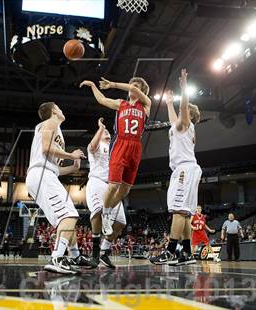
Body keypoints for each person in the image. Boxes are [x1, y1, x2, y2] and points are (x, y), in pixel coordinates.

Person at [25, 102, 97, 274]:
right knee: (69, 215)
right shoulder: (50, 122)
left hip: (44, 175)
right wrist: (70, 154)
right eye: (59, 107)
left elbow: (55, 168)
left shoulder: (55, 129)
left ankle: (74, 256)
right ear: (54, 111)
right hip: (41, 174)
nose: (62, 109)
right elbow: (46, 149)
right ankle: (57, 258)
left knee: (66, 219)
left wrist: (73, 167)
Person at [80, 76, 151, 236]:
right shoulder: (121, 104)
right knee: (113, 186)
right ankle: (105, 214)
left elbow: (133, 90)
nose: (132, 87)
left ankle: (108, 209)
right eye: (131, 84)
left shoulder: (146, 105)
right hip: (120, 144)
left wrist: (113, 83)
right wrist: (92, 85)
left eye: (136, 86)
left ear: (142, 91)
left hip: (135, 147)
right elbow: (102, 99)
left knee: (125, 190)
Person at [150, 69, 201, 266]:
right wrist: (169, 103)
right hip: (188, 170)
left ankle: (170, 251)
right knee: (186, 213)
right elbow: (173, 121)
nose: (181, 111)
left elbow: (184, 109)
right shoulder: (179, 127)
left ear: (187, 114)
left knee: (179, 211)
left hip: (184, 170)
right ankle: (187, 253)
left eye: (183, 110)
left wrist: (184, 87)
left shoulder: (186, 123)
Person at [86, 118, 126, 268]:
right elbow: (91, 146)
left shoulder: (114, 149)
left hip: (112, 187)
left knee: (121, 222)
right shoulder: (98, 145)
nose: (106, 132)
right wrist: (101, 128)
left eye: (108, 131)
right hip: (97, 182)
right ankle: (95, 253)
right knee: (97, 212)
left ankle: (104, 252)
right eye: (104, 132)